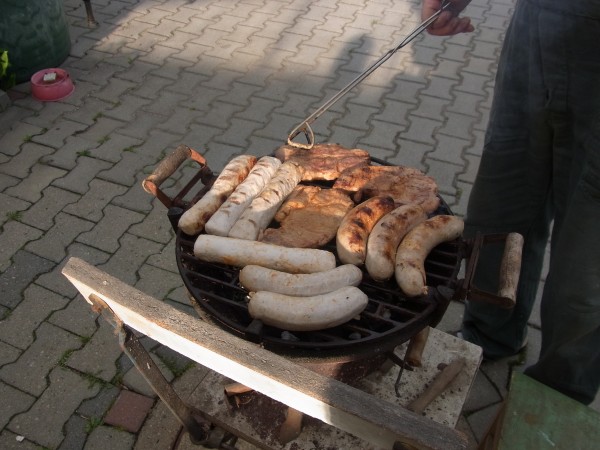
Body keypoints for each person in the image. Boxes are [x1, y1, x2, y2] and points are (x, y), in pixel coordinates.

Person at [421, 0, 600, 405]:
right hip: (538, 25)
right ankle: (489, 336)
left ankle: (559, 394)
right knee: (499, 210)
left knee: (585, 272)